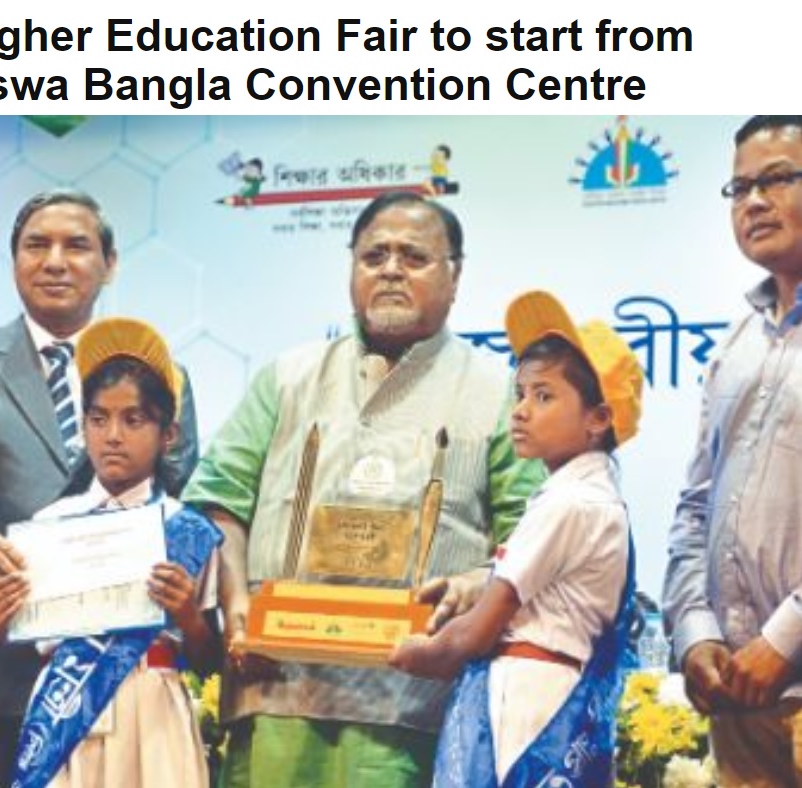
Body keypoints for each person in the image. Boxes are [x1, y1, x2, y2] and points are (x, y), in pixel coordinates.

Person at [182, 190, 545, 787]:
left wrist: (473, 583)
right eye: (374, 256)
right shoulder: (288, 377)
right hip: (277, 689)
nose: (392, 270)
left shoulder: (496, 391)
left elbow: (530, 541)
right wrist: (237, 604)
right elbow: (220, 498)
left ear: (455, 276)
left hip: (414, 704)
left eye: (414, 256)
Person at [0, 191, 201, 788]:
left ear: (109, 263)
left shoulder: (162, 376)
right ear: (14, 259)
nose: (55, 261)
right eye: (36, 245)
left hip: (120, 685)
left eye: (77, 246)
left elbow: (176, 492)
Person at [391, 290, 644, 786]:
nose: (521, 411)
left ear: (598, 419)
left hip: (526, 704)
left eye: (544, 396)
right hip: (551, 694)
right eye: (520, 393)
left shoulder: (568, 503)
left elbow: (476, 632)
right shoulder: (593, 497)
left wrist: (413, 653)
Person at [0, 317, 223, 788]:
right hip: (65, 715)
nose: (113, 435)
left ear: (168, 434)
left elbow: (209, 658)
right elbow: (23, 646)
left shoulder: (187, 530)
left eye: (133, 420)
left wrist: (188, 615)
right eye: (98, 419)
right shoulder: (46, 526)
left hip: (154, 712)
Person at [662, 115, 802, 788]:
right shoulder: (733, 345)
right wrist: (695, 631)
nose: (753, 202)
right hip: (736, 702)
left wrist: (786, 637)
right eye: (740, 187)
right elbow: (695, 506)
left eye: (777, 179)